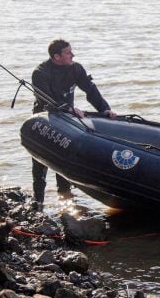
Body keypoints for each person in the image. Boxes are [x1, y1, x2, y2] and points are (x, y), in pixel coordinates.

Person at [31, 39, 117, 203]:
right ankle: (38, 202)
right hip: (44, 119)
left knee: (62, 160)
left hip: (66, 119)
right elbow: (46, 101)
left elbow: (90, 90)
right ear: (56, 56)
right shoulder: (40, 73)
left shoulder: (76, 68)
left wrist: (105, 109)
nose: (73, 55)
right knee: (39, 164)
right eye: (68, 53)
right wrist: (67, 108)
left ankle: (65, 198)